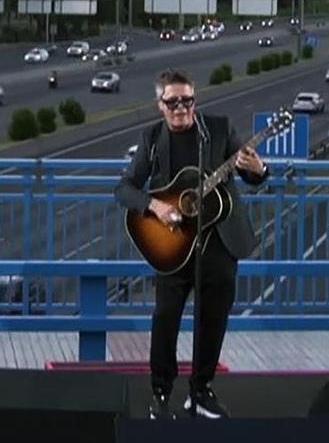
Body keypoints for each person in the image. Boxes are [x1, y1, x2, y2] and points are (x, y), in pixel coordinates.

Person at [114, 69, 269, 420]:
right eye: (173, 102)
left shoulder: (218, 129)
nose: (181, 108)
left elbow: (249, 174)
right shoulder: (152, 138)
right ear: (160, 105)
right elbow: (124, 188)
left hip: (219, 243)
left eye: (187, 100)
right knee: (165, 319)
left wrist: (259, 168)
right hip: (173, 246)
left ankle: (201, 389)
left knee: (212, 320)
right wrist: (155, 206)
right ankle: (160, 391)